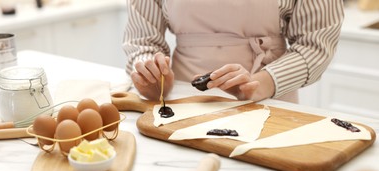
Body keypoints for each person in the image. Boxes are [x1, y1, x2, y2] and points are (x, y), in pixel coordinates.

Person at [122, 0, 344, 103]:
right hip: (180, 103)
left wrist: (258, 85)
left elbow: (315, 45)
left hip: (268, 102)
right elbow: (143, 41)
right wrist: (151, 74)